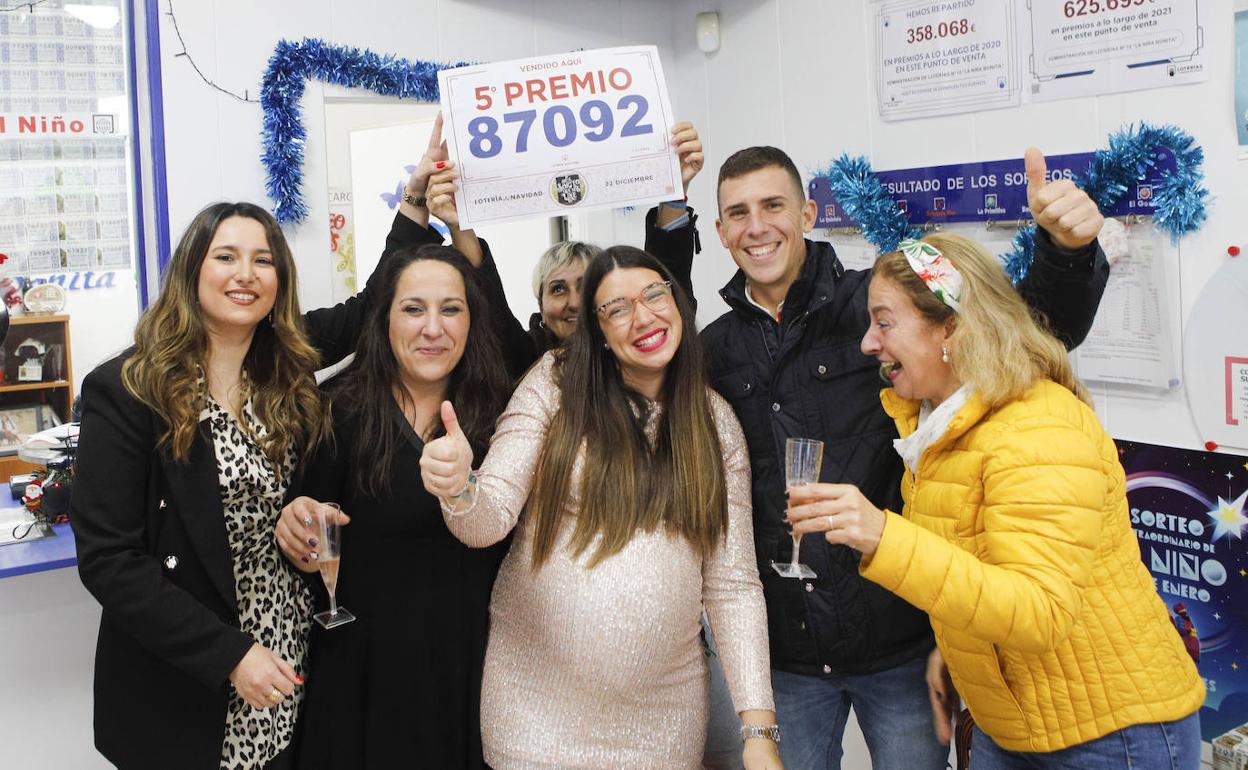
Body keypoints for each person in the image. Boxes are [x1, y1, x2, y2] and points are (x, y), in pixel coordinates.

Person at [700, 145, 1111, 769]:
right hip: (789, 651)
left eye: (773, 205)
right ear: (721, 231)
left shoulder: (884, 294)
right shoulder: (715, 347)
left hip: (901, 641)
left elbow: (1017, 325)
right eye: (738, 213)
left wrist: (1067, 251)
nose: (757, 226)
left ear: (808, 213)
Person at [69, 133, 449, 769]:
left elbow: (368, 309)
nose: (246, 275)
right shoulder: (128, 388)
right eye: (226, 257)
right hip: (190, 679)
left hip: (286, 664)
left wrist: (415, 199)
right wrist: (226, 656)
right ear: (193, 270)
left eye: (264, 261)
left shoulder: (285, 368)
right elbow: (109, 560)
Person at [787, 232, 1204, 769]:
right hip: (1011, 723)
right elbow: (982, 570)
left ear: (952, 328)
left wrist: (885, 536)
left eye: (885, 322)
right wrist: (962, 652)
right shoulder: (939, 428)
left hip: (1111, 733)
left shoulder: (1036, 425)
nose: (868, 343)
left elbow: (1040, 610)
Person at [418, 247, 782, 770]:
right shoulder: (555, 384)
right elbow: (488, 519)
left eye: (654, 294)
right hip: (534, 713)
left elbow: (733, 584)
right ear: (599, 331)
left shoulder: (714, 422)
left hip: (662, 719)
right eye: (617, 308)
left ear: (676, 301)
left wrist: (759, 730)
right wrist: (458, 487)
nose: (643, 316)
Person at [273, 245, 511, 769]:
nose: (433, 328)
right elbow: (307, 541)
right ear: (384, 320)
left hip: (469, 676)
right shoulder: (336, 410)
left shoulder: (505, 416)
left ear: (473, 321)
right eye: (413, 309)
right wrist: (294, 530)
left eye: (451, 309)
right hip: (360, 678)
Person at [422, 121, 704, 369]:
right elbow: (489, 305)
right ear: (541, 306)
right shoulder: (525, 360)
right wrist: (459, 225)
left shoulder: (639, 345)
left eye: (586, 285)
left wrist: (674, 191)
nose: (574, 302)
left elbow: (668, 281)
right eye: (558, 289)